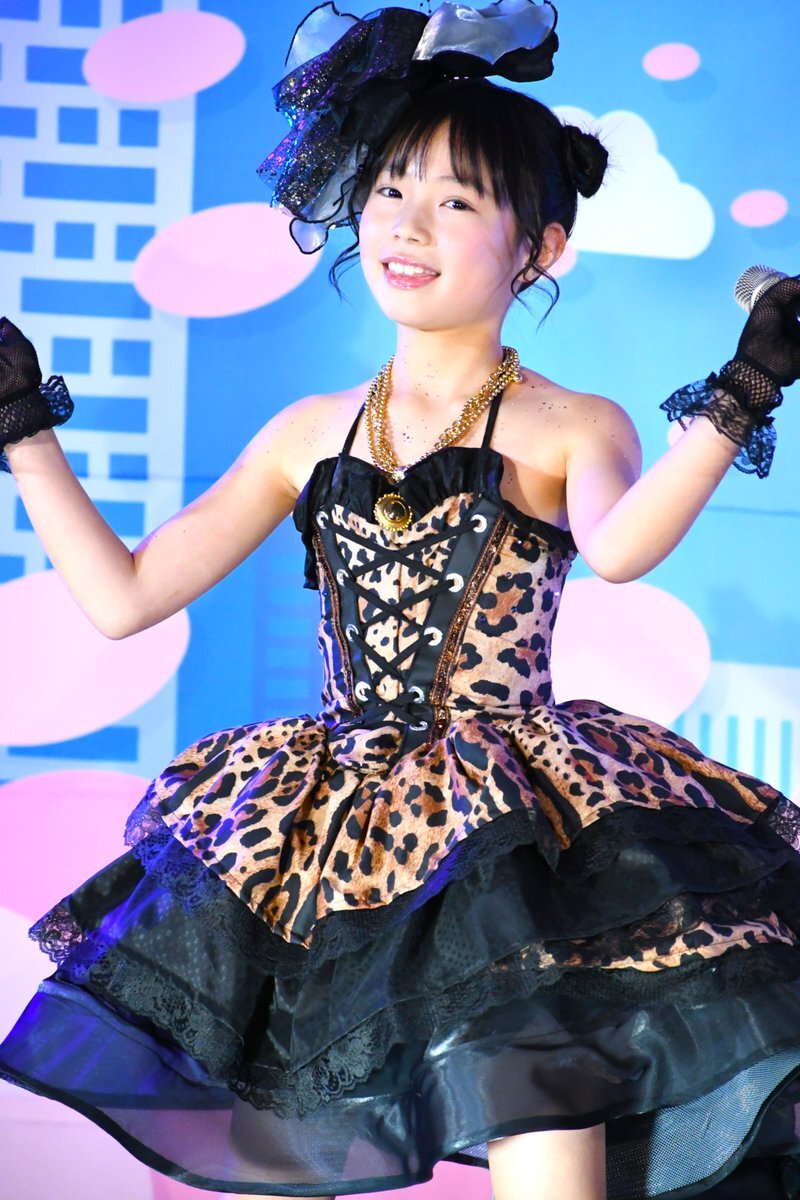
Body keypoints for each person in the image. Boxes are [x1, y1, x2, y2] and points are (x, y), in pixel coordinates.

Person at [1, 2, 800, 1198]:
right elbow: (122, 598)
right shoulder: (305, 432)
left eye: (456, 201)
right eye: (388, 189)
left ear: (539, 248)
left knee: (546, 1121)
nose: (406, 225)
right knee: (301, 1133)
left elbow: (624, 548)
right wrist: (22, 427)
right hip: (332, 834)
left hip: (512, 830)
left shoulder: (570, 422)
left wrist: (743, 387)